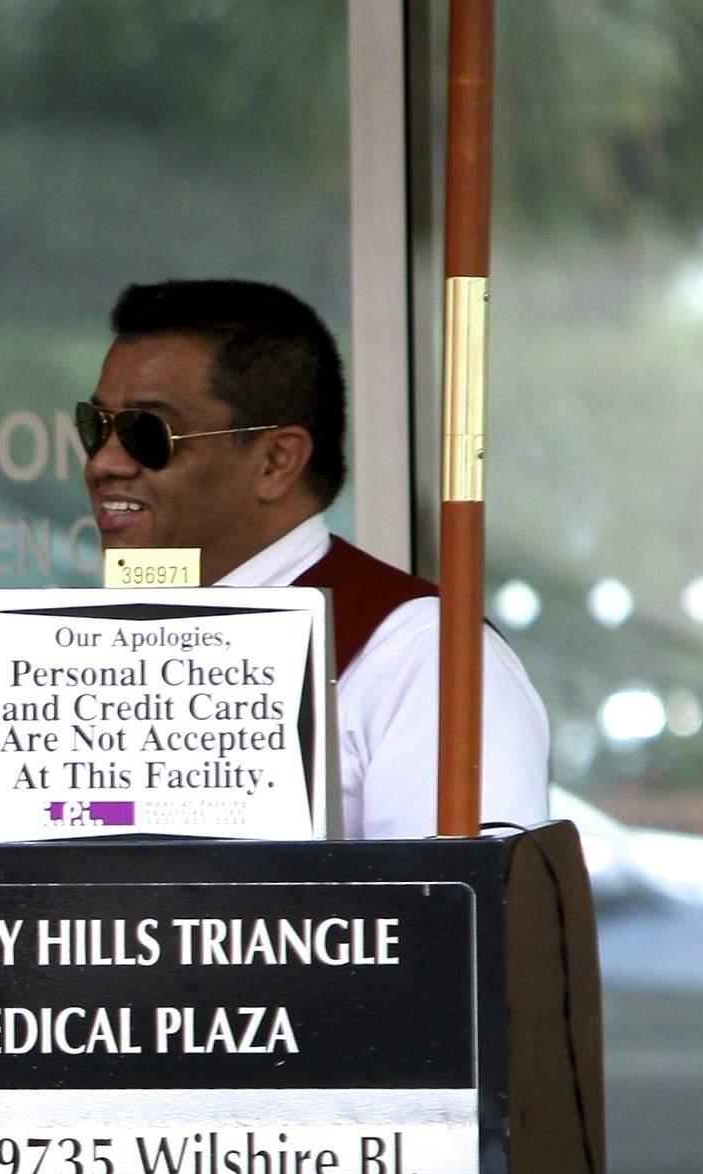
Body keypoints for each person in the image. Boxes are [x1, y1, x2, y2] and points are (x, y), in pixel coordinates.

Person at [77, 278, 548, 839]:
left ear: (277, 461)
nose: (104, 464)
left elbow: (454, 914)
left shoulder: (423, 657)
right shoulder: (89, 651)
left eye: (144, 433)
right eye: (96, 427)